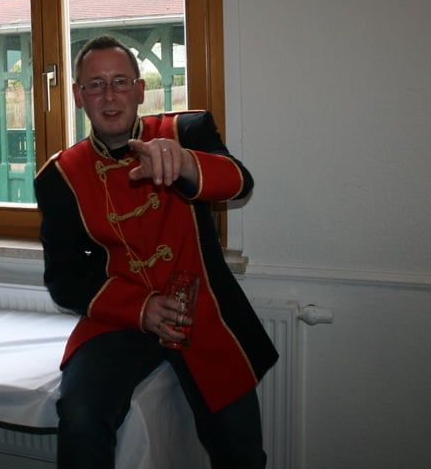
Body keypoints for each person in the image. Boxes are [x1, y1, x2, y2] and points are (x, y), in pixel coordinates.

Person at [34, 36, 278, 468]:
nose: (110, 96)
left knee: (240, 451)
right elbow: (64, 279)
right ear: (77, 96)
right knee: (81, 416)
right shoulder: (60, 177)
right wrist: (141, 308)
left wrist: (184, 163)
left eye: (121, 82)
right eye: (95, 85)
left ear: (140, 90)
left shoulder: (187, 132)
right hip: (119, 318)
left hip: (205, 314)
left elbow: (241, 184)